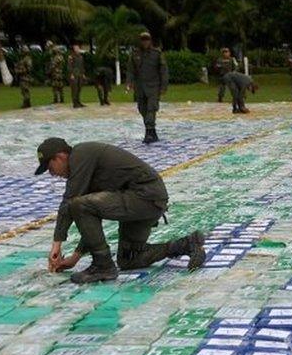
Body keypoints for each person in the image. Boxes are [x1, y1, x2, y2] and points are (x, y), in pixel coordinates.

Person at [37, 137, 206, 284]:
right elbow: (89, 223)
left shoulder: (81, 154)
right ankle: (186, 245)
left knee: (78, 204)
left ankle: (103, 266)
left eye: (50, 168)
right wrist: (75, 258)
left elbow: (71, 203)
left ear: (59, 157)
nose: (52, 174)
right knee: (130, 260)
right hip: (147, 201)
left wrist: (56, 245)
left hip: (143, 196)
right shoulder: (85, 168)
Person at [127, 31, 168, 144]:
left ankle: (149, 132)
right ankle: (152, 131)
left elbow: (163, 70)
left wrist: (164, 86)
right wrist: (129, 82)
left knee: (151, 108)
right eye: (143, 40)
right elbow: (131, 70)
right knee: (142, 109)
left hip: (153, 86)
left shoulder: (157, 54)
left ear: (150, 41)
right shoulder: (135, 54)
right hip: (140, 87)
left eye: (147, 40)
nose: (145, 42)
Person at [68, 43, 86, 108]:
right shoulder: (71, 57)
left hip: (80, 74)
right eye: (76, 48)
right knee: (74, 89)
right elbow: (70, 66)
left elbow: (82, 66)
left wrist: (83, 73)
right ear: (74, 49)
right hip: (74, 74)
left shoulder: (81, 57)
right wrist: (71, 74)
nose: (77, 49)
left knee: (79, 88)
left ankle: (78, 101)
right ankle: (75, 103)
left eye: (78, 48)